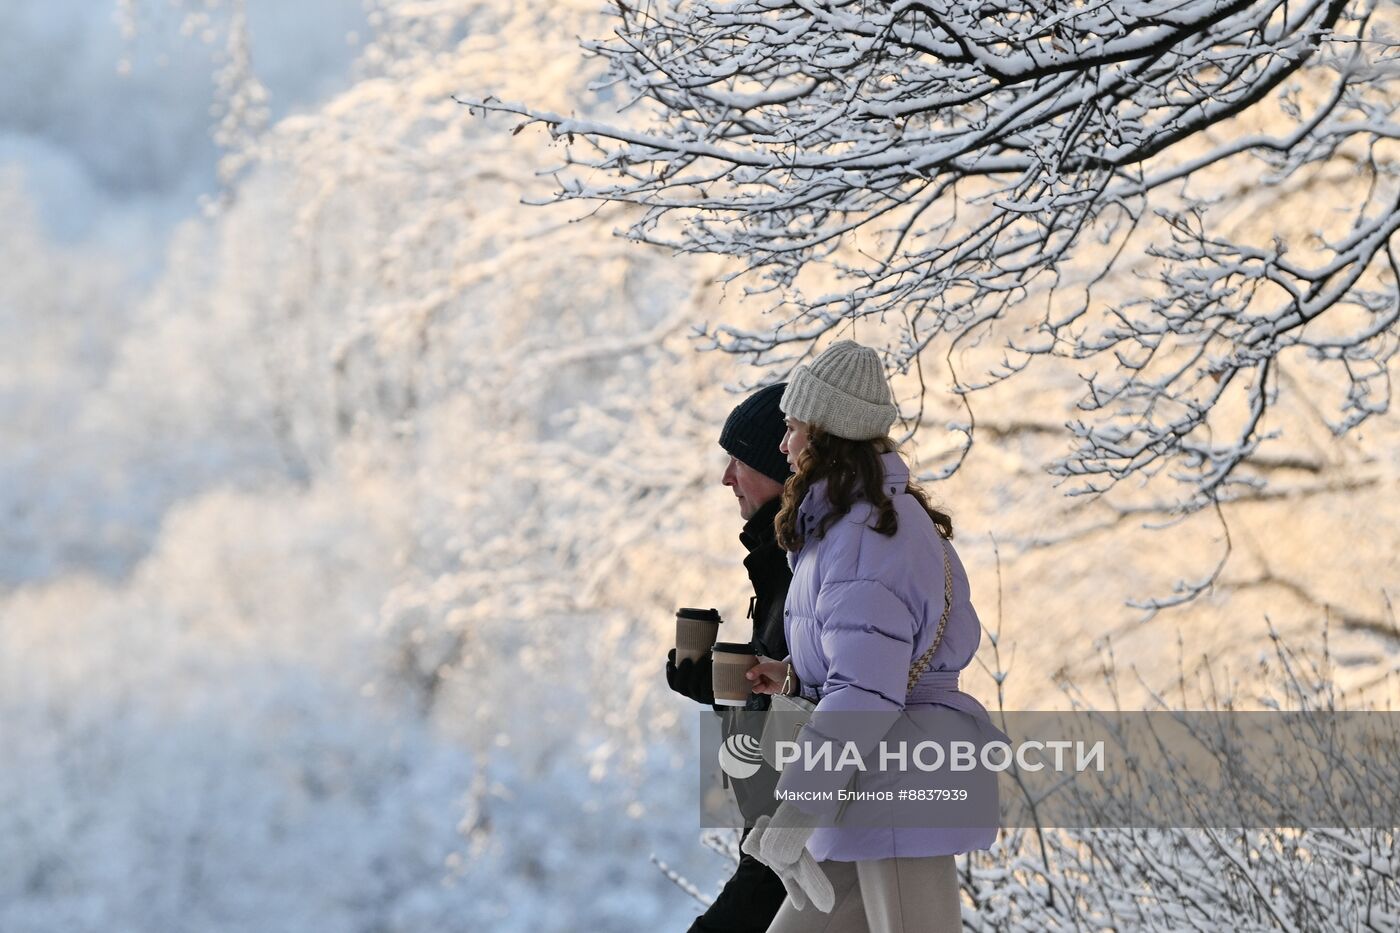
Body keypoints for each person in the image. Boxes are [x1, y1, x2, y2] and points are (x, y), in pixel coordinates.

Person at [741, 340, 999, 932]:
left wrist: (796, 812)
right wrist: (796, 677)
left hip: (899, 789)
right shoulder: (848, 525)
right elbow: (865, 667)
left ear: (824, 435)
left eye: (792, 428)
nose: (784, 445)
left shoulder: (868, 535)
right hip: (867, 786)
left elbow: (865, 693)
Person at [666, 382, 792, 933]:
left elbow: (811, 720)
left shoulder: (803, 574)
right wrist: (720, 692)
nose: (726, 477)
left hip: (790, 848)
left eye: (738, 460)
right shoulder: (779, 565)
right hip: (774, 844)